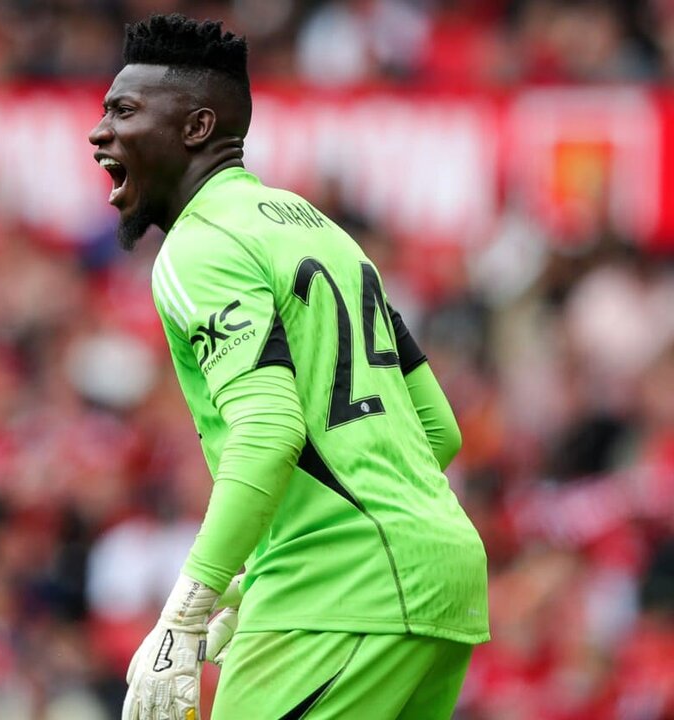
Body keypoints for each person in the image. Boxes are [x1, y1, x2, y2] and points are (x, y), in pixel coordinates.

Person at [87, 13, 490, 719]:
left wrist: (186, 609)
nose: (100, 134)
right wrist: (250, 584)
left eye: (123, 111)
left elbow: (270, 428)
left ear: (196, 127)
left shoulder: (200, 244)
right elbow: (438, 431)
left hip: (338, 591)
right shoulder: (323, 232)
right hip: (441, 582)